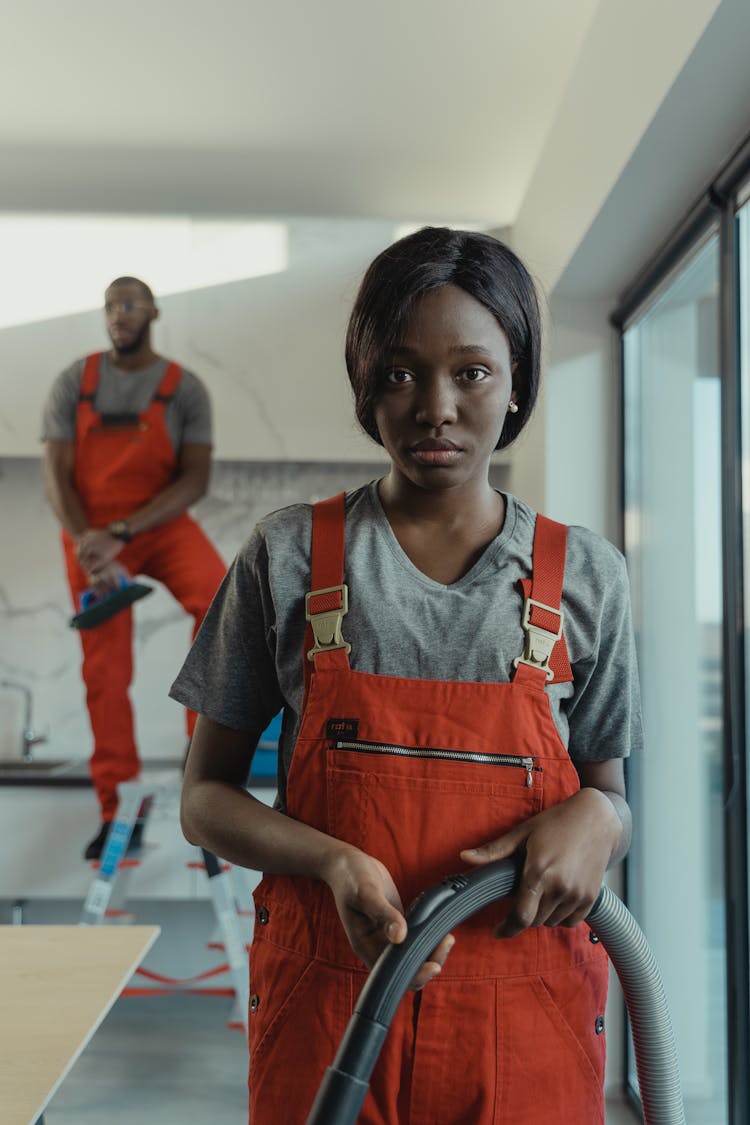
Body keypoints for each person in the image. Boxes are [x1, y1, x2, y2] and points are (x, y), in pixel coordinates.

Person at [173, 228, 642, 1125]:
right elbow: (206, 797)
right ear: (363, 380)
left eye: (471, 371)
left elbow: (613, 795)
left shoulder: (585, 577)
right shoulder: (286, 556)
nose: (435, 406)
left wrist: (596, 814)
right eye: (399, 371)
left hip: (526, 1020)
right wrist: (333, 861)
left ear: (517, 384)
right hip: (329, 1013)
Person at [42, 276, 226, 860]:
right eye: (109, 307)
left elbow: (194, 480)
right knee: (105, 674)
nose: (117, 315)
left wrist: (125, 533)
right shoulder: (75, 383)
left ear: (152, 311)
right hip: (92, 534)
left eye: (127, 304)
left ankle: (210, 789)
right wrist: (86, 544)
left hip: (157, 526)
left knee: (221, 603)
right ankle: (117, 811)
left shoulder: (184, 389)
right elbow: (56, 475)